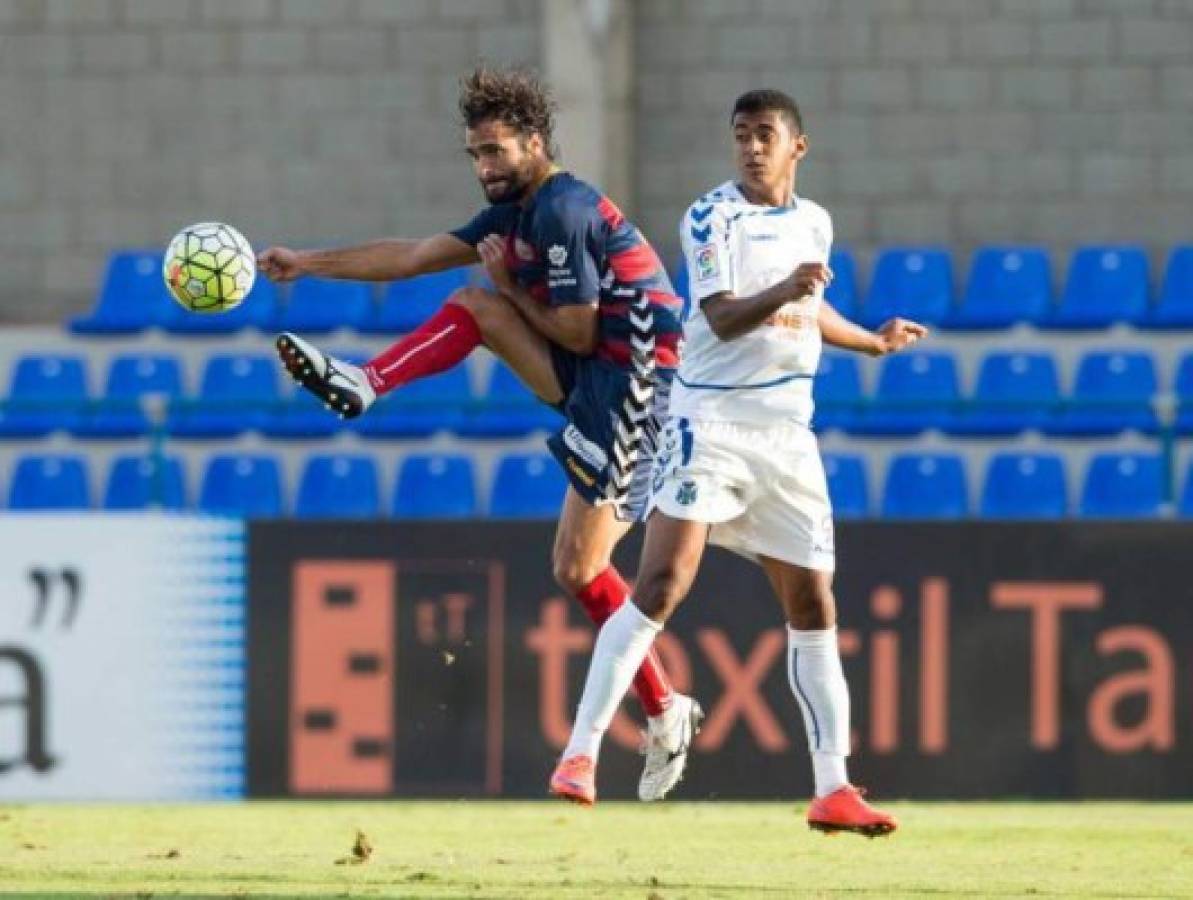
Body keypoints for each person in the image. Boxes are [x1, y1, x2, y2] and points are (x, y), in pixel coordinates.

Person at [256, 67, 701, 801]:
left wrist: (513, 289)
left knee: (581, 564)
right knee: (574, 566)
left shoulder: (561, 209)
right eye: (474, 154)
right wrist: (305, 263)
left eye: (494, 151)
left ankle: (655, 712)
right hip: (597, 384)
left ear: (533, 142)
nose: (484, 167)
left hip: (641, 397)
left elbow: (580, 330)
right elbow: (410, 255)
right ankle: (364, 383)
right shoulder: (513, 213)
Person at [547, 89, 927, 835]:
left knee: (814, 605)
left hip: (787, 437)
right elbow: (720, 312)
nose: (750, 148)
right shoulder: (710, 216)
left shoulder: (813, 221)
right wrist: (784, 286)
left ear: (797, 146)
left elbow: (808, 311)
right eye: (740, 136)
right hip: (709, 424)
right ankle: (581, 753)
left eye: (763, 135)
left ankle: (832, 789)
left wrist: (868, 340)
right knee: (660, 584)